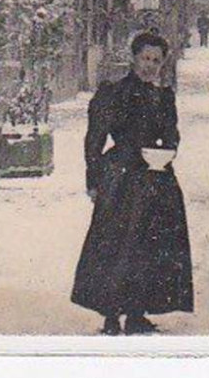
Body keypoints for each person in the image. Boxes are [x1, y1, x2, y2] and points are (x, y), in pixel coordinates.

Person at [72, 31, 193, 334]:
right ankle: (112, 316)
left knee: (151, 246)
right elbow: (94, 140)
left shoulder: (164, 97)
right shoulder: (113, 93)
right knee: (116, 245)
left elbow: (172, 135)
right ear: (133, 58)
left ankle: (137, 313)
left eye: (156, 60)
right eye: (145, 58)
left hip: (155, 176)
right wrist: (94, 178)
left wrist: (168, 149)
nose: (150, 66)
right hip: (120, 178)